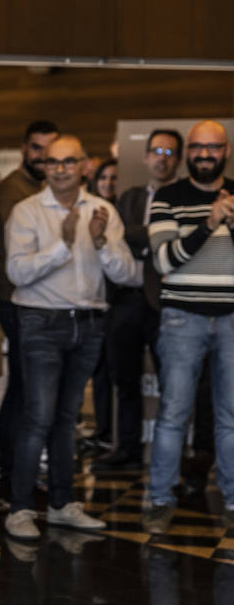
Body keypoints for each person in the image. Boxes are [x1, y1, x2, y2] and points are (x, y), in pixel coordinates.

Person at [2, 135, 141, 541]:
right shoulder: (27, 212)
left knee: (67, 420)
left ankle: (63, 504)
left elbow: (129, 275)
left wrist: (99, 243)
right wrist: (62, 245)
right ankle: (21, 508)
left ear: (85, 166)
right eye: (52, 162)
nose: (60, 168)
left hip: (90, 323)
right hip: (41, 322)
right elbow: (17, 273)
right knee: (38, 416)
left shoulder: (104, 211)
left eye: (69, 161)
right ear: (43, 167)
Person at [145, 121, 234, 527]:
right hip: (182, 318)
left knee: (230, 416)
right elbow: (164, 261)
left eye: (212, 148)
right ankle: (160, 499)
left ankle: (233, 501)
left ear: (226, 150)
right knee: (173, 413)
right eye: (197, 147)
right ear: (188, 153)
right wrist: (209, 223)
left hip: (232, 318)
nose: (204, 155)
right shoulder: (168, 197)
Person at [97, 130, 182, 472]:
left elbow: (177, 243)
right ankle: (127, 449)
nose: (162, 157)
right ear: (146, 157)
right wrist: (153, 240)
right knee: (125, 379)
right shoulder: (128, 198)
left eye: (169, 152)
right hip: (127, 302)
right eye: (156, 151)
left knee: (171, 383)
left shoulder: (182, 198)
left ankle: (169, 455)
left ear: (178, 159)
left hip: (167, 302)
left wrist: (141, 237)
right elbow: (122, 239)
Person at [0, 120, 59, 507]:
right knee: (22, 394)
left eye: (50, 152)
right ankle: (11, 483)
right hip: (17, 302)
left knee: (34, 394)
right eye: (37, 149)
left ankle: (23, 479)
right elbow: (9, 262)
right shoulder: (10, 194)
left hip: (45, 303)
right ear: (24, 149)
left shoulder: (49, 191)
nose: (43, 158)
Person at [85, 158, 119, 449]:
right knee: (98, 372)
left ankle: (112, 432)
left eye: (114, 178)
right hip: (92, 303)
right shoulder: (89, 212)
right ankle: (102, 428)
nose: (109, 183)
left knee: (115, 370)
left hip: (118, 302)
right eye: (103, 178)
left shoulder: (120, 215)